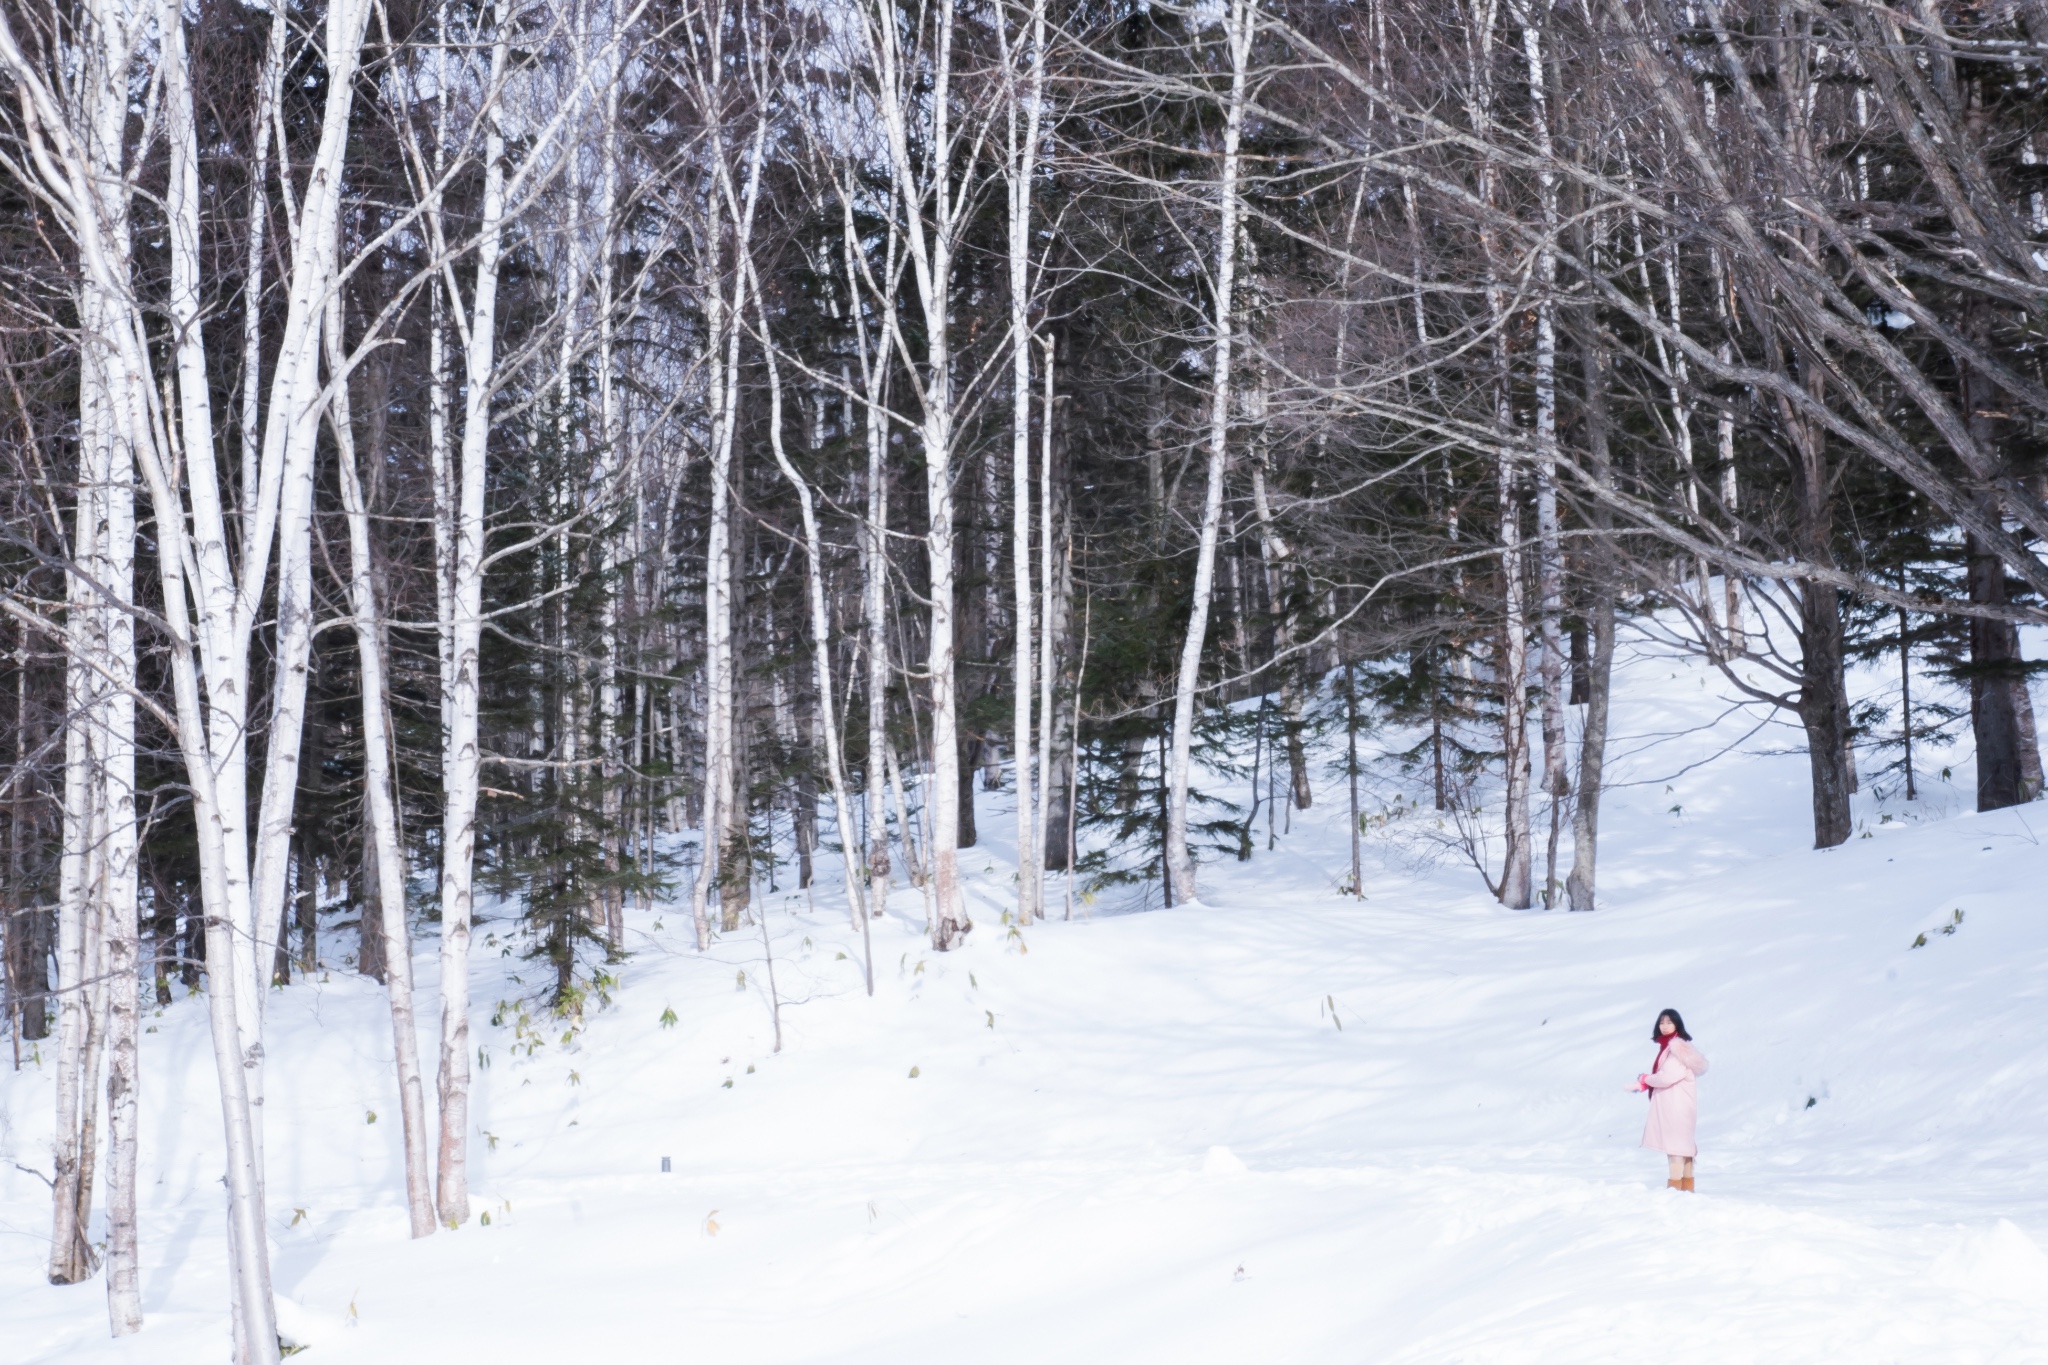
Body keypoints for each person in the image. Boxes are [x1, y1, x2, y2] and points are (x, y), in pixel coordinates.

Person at [1634, 1009, 1708, 1191]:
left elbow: (1667, 1077)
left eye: (1669, 1022)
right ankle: (1686, 1188)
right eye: (1662, 1022)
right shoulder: (1670, 1048)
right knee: (1683, 1148)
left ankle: (1675, 1191)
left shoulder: (1677, 1050)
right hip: (1678, 1106)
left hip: (1677, 1108)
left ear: (1677, 1024)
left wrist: (1645, 1079)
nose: (1664, 1026)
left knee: (1676, 1148)